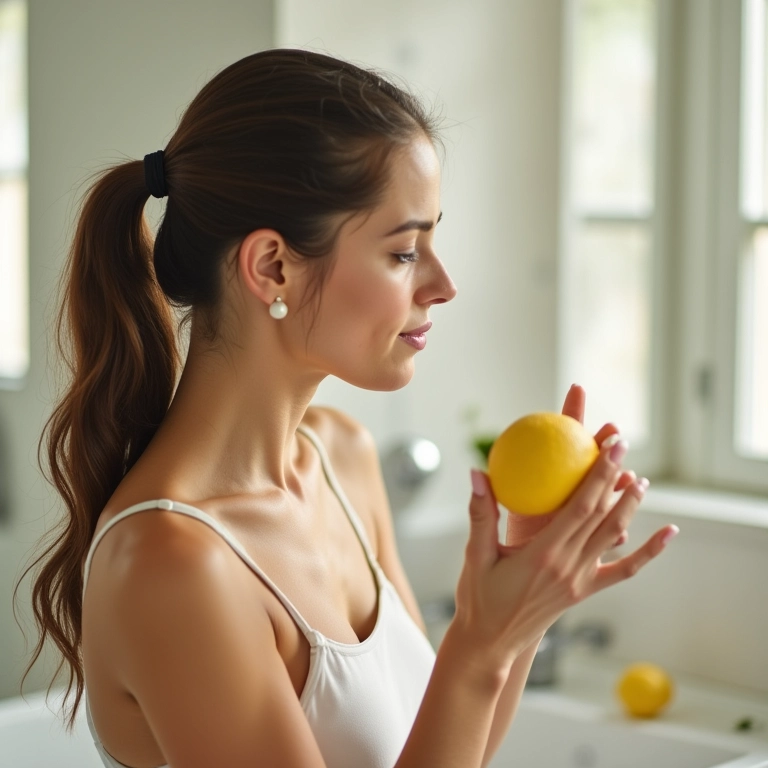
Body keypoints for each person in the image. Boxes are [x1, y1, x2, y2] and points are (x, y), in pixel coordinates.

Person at [16, 48, 678, 768]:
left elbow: (446, 747)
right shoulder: (170, 565)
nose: (443, 283)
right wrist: (481, 643)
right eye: (403, 252)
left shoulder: (344, 457)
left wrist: (517, 595)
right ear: (272, 266)